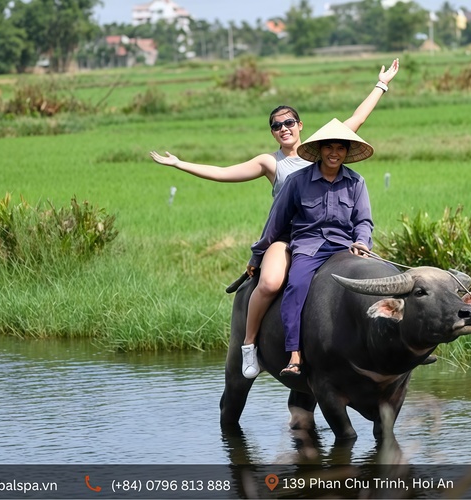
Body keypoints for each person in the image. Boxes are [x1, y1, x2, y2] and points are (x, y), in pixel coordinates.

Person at [149, 60, 399, 379]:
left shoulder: (333, 154)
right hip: (290, 235)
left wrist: (381, 84)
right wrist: (180, 164)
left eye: (289, 122)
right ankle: (251, 344)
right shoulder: (272, 162)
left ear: (300, 125)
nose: (284, 128)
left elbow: (356, 119)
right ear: (273, 132)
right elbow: (224, 174)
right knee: (271, 283)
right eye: (277, 125)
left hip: (337, 237)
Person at [248, 118, 374, 377]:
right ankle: (294, 353)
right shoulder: (297, 181)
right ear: (319, 150)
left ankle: (384, 349)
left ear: (347, 152)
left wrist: (361, 242)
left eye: (340, 148)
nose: (334, 153)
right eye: (329, 147)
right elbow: (275, 223)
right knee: (296, 285)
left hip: (345, 247)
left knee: (380, 280)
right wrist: (258, 254)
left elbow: (363, 221)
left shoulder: (356, 182)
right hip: (309, 246)